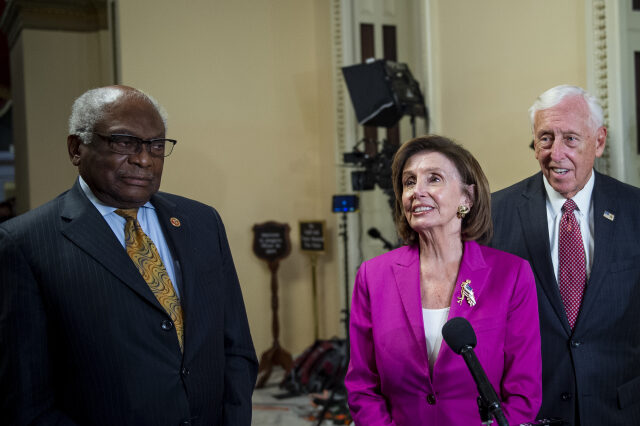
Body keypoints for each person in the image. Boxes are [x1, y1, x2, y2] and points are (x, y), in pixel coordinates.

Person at [0, 85, 258, 425]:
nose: (144, 159)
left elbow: (235, 347)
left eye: (156, 145)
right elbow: (27, 400)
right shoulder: (25, 243)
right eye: (124, 142)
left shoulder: (202, 222)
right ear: (76, 147)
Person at [345, 135, 542, 425]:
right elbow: (362, 386)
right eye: (409, 182)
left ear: (467, 197)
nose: (417, 191)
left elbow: (524, 391)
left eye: (433, 179)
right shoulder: (372, 276)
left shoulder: (511, 275)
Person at [490, 85, 640, 425]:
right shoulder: (494, 215)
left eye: (570, 139)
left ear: (598, 142)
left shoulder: (636, 210)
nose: (556, 153)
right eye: (545, 138)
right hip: (532, 411)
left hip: (621, 410)